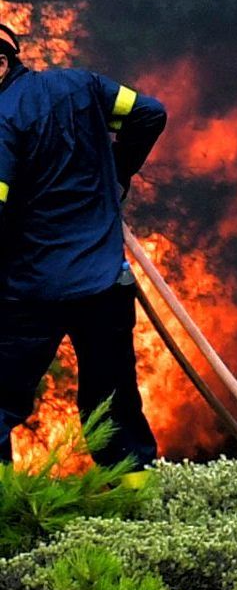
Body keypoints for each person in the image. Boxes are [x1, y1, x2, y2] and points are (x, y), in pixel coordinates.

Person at [0, 28, 166, 467]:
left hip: (32, 293)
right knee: (114, 406)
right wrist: (118, 174)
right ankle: (133, 496)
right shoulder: (82, 86)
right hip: (104, 286)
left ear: (1, 63)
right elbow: (149, 113)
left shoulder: (1, 118)